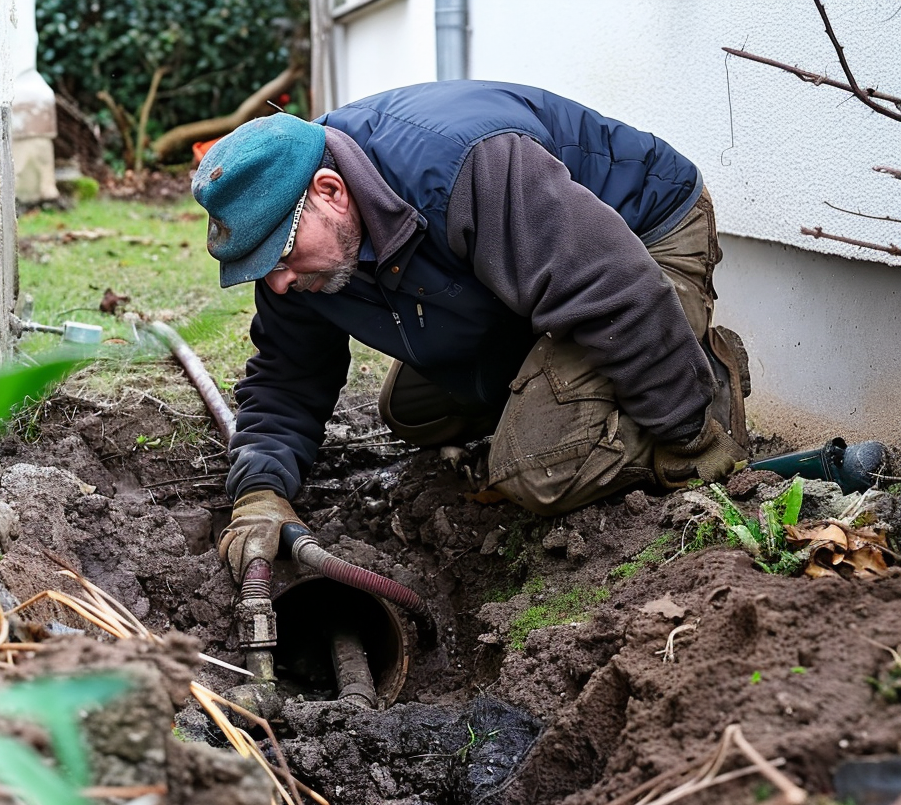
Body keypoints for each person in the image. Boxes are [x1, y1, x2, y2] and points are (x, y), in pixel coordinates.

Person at [191, 80, 750, 583]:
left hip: (643, 238)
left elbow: (616, 291)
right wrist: (261, 491)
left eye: (281, 255)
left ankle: (707, 373)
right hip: (535, 276)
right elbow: (289, 375)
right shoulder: (297, 249)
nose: (279, 282)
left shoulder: (467, 165)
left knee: (537, 472)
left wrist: (688, 433)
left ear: (331, 191)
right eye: (264, 267)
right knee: (411, 409)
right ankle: (563, 388)